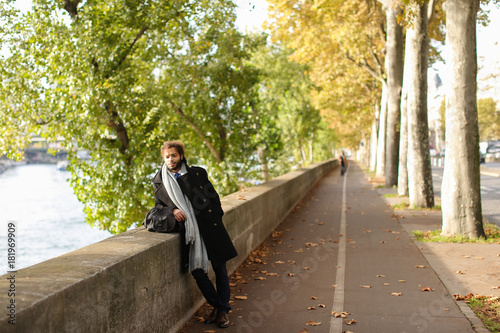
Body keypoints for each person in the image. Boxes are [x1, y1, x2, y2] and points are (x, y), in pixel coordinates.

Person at [152, 140, 238, 328]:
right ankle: (220, 307)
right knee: (198, 272)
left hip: (210, 226)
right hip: (190, 234)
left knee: (220, 270)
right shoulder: (159, 180)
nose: (170, 160)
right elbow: (159, 206)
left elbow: (214, 197)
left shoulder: (197, 173)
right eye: (167, 157)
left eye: (174, 155)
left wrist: (217, 215)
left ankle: (222, 312)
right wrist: (173, 209)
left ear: (181, 156)